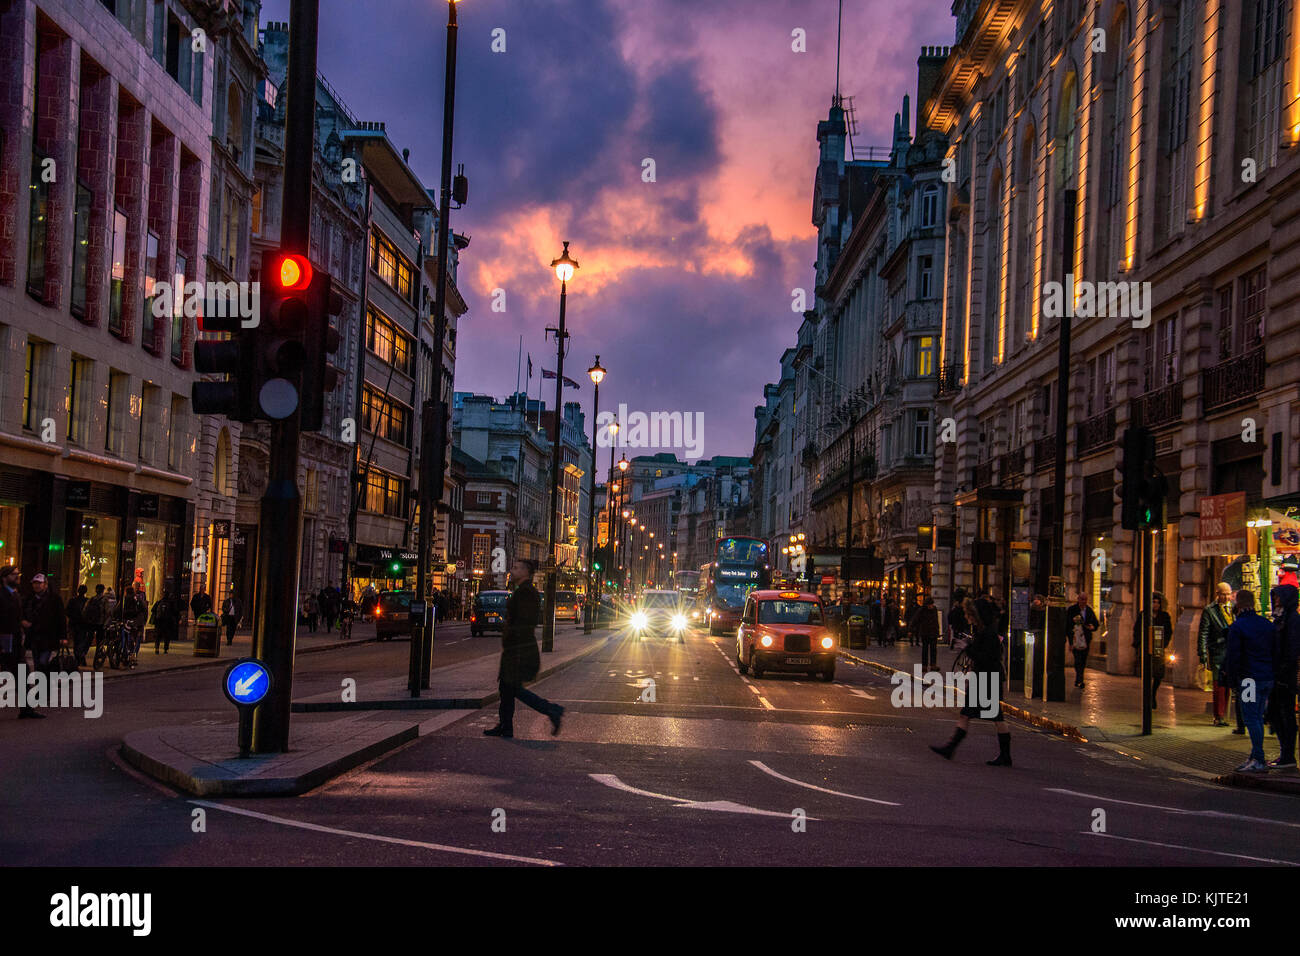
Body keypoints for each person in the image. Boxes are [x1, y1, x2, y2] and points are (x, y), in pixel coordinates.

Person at [484, 558, 563, 739]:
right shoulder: (522, 590)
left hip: (519, 649)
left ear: (526, 573)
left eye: (516, 568)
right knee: (506, 688)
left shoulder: (526, 593)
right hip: (516, 648)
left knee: (513, 688)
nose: (512, 570)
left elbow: (524, 623)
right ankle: (505, 726)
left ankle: (552, 710)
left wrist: (513, 642)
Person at [930, 596, 1012, 766]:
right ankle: (952, 748)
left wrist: (966, 648)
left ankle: (951, 748)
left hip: (986, 679)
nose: (968, 618)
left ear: (977, 615)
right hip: (985, 678)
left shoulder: (988, 633)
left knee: (989, 716)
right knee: (979, 715)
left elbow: (986, 658)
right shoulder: (985, 631)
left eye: (970, 615)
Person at [1223, 589, 1276, 773]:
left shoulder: (1238, 627)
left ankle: (1259, 757)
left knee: (1251, 717)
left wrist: (1231, 679)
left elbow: (1234, 656)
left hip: (1248, 679)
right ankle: (1255, 755)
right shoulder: (1266, 624)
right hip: (1266, 677)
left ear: (1238, 604)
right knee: (1258, 716)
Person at [1199, 581, 1240, 730]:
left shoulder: (1234, 608)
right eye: (1224, 594)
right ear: (1218, 594)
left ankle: (1224, 714)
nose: (1227, 597)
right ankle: (1219, 715)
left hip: (1231, 651)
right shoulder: (1210, 610)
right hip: (1217, 650)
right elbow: (1203, 633)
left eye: (1229, 594)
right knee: (1219, 685)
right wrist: (1203, 654)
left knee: (1228, 684)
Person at [0, 566, 40, 718]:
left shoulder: (16, 595)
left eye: (18, 574)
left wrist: (24, 625)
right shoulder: (2, 595)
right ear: (4, 577)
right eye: (13, 575)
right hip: (4, 641)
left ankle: (27, 709)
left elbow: (17, 618)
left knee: (23, 674)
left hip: (15, 643)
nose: (17, 577)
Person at [1269, 585, 1300, 769]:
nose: (1276, 601)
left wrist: (1283, 670)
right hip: (1279, 674)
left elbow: (1292, 648)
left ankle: (1288, 755)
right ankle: (1285, 753)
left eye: (1278, 597)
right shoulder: (1281, 618)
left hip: (1285, 677)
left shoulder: (1293, 620)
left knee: (1285, 714)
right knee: (1276, 713)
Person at [22, 573, 67, 677]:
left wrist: (63, 636)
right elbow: (22, 612)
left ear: (45, 584)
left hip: (48, 637)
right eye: (35, 583)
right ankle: (41, 686)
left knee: (43, 661)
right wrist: (23, 621)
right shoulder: (29, 599)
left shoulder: (54, 599)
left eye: (39, 583)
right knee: (37, 662)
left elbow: (61, 618)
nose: (36, 586)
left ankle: (42, 684)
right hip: (34, 636)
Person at [1132, 592, 1174, 701]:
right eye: (1153, 602)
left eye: (1157, 603)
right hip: (1145, 647)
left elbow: (1168, 632)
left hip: (1158, 648)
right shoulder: (1144, 615)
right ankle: (1148, 696)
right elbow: (1137, 630)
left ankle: (1153, 693)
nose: (1155, 605)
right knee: (1147, 672)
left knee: (1159, 673)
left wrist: (1164, 644)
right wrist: (1138, 645)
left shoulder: (1164, 616)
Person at [1065, 591, 1099, 688]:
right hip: (1076, 638)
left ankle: (1079, 678)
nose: (1083, 601)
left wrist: (1092, 627)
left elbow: (1096, 624)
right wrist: (1070, 642)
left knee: (1083, 660)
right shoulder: (1072, 610)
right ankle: (1079, 679)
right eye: (1081, 599)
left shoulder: (1089, 610)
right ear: (1078, 599)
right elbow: (1068, 626)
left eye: (1085, 600)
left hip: (1086, 639)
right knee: (1078, 659)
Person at [67, 584, 90, 667]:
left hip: (75, 623)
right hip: (83, 624)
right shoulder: (87, 601)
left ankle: (79, 657)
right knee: (81, 641)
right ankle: (80, 657)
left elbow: (67, 611)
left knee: (77, 641)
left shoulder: (72, 600)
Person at [916, 593, 941, 670]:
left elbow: (936, 621)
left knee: (933, 649)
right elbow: (916, 619)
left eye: (932, 604)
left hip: (933, 632)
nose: (931, 606)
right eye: (930, 605)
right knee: (925, 650)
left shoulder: (934, 609)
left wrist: (937, 631)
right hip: (925, 632)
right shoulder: (922, 610)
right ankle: (924, 666)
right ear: (926, 605)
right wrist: (911, 629)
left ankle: (933, 665)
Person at [84, 584, 107, 665]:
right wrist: (106, 623)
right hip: (100, 623)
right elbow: (108, 612)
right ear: (103, 590)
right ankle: (97, 657)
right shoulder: (105, 600)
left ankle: (83, 654)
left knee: (89, 639)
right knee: (99, 641)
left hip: (91, 622)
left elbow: (85, 610)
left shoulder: (92, 599)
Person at [151, 590, 179, 654]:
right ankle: (165, 649)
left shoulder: (159, 602)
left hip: (159, 621)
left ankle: (157, 648)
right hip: (167, 621)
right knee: (167, 636)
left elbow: (153, 610)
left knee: (158, 635)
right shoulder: (171, 603)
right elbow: (175, 612)